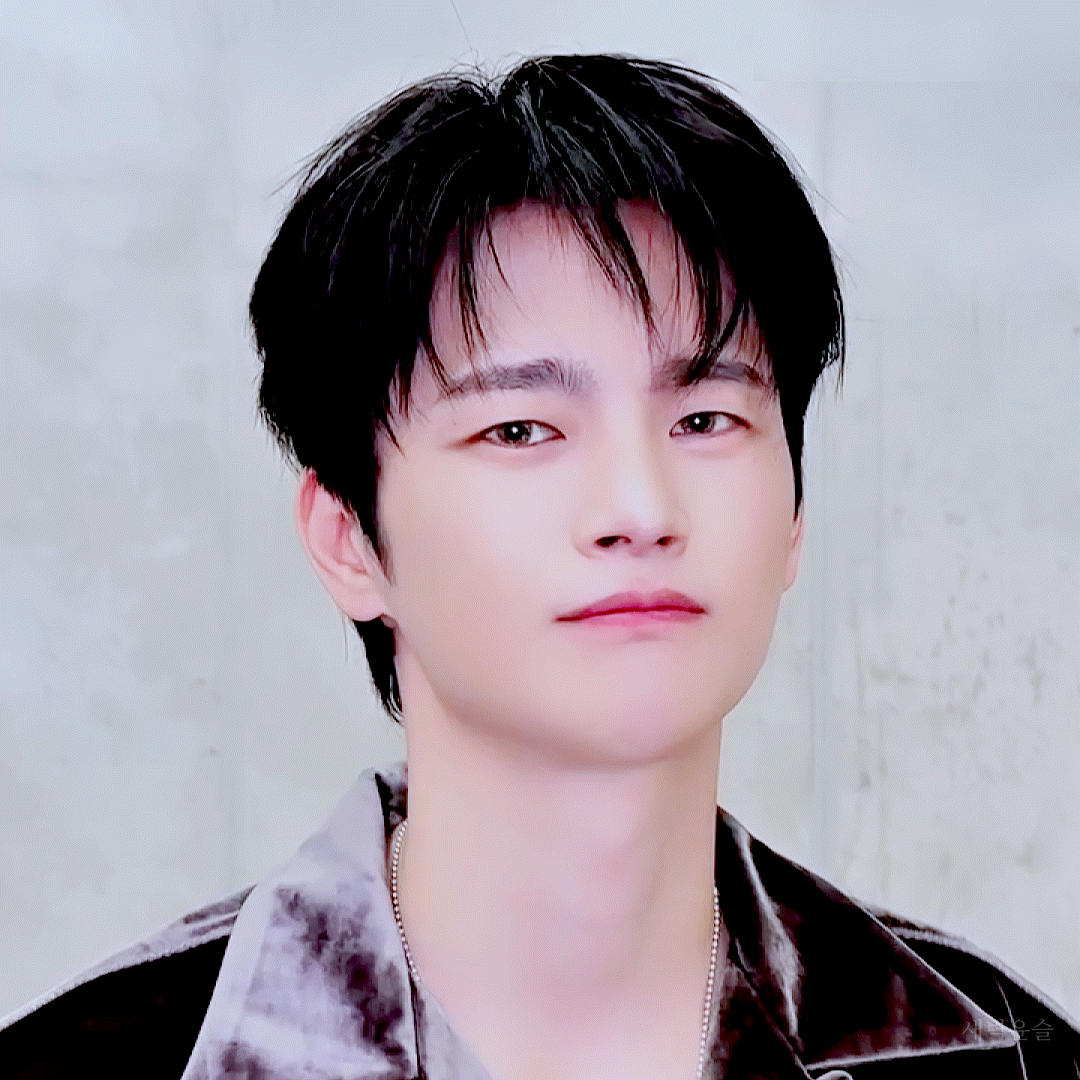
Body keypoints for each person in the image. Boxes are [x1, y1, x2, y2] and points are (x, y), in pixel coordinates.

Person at [3, 53, 1076, 1080]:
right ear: (348, 538)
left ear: (794, 512)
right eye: (520, 430)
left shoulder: (1015, 1057)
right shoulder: (99, 1061)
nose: (639, 510)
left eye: (705, 420)